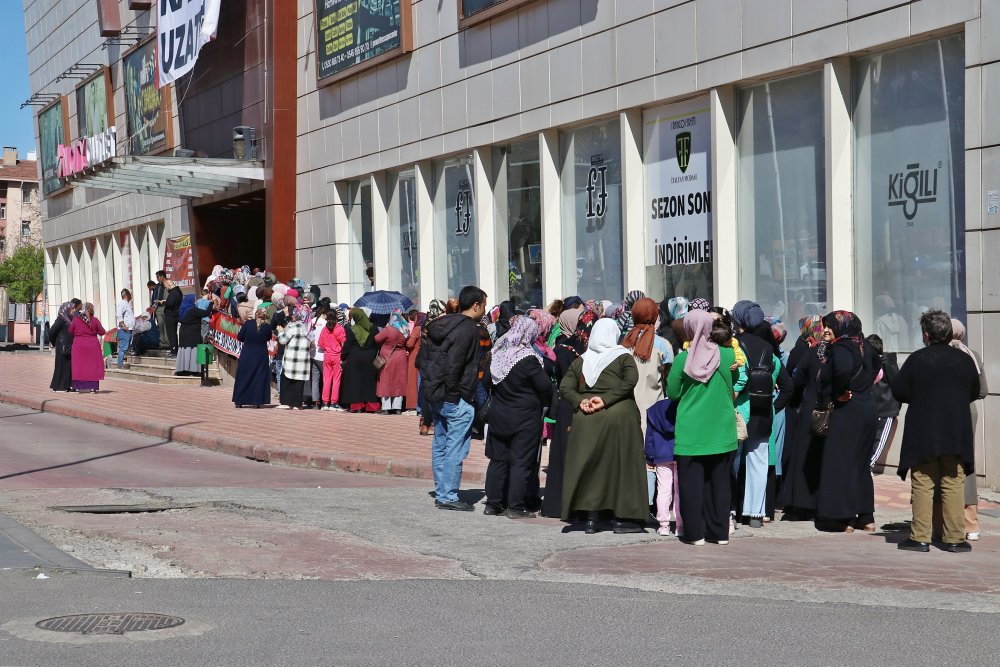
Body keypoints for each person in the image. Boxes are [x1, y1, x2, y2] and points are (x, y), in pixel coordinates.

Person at [893, 310, 980, 553]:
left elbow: (899, 391)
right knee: (953, 481)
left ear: (926, 334)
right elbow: (974, 391)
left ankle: (920, 536)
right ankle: (954, 538)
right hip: (955, 429)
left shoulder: (918, 359)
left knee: (923, 481)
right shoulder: (964, 359)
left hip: (924, 429)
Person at [559, 318, 648, 534]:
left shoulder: (582, 360)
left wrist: (581, 401)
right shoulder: (623, 356)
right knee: (622, 466)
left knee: (591, 467)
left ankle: (591, 518)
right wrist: (606, 399)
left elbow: (565, 386)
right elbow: (630, 381)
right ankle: (624, 517)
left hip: (586, 418)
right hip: (619, 418)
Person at [667, 310, 740, 545]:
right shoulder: (728, 355)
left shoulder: (682, 360)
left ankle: (695, 533)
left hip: (691, 429)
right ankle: (719, 534)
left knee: (691, 485)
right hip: (721, 427)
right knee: (720, 484)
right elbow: (735, 381)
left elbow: (673, 392)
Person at [422, 286, 488, 511]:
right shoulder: (468, 329)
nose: (484, 310)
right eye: (484, 305)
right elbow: (456, 364)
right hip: (453, 396)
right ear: (476, 305)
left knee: (441, 442)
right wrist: (454, 395)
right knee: (454, 447)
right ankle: (448, 495)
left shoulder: (444, 324)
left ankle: (442, 490)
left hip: (436, 393)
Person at [815, 311, 877, 533]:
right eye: (825, 326)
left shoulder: (841, 347)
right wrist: (862, 387)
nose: (826, 330)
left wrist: (840, 391)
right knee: (861, 463)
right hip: (867, 407)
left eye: (830, 326)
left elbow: (840, 370)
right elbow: (878, 365)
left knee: (842, 462)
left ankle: (845, 517)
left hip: (848, 409)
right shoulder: (863, 345)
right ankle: (866, 516)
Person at [731, 301, 792, 529]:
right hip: (764, 414)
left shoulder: (734, 347)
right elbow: (788, 385)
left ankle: (732, 510)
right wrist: (775, 405)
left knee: (733, 464)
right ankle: (755, 513)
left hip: (737, 413)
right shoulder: (770, 351)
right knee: (758, 462)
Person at [484, 316, 552, 518]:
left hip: (498, 414)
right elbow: (545, 387)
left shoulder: (497, 353)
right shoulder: (527, 359)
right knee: (520, 461)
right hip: (524, 417)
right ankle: (515, 506)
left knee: (498, 460)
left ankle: (493, 504)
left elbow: (486, 382)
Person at [541, 309, 595, 519]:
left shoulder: (562, 348)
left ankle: (557, 505)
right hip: (585, 405)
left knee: (562, 456)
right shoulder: (589, 349)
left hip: (565, 406)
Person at [779, 316, 829, 520]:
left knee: (803, 453)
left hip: (807, 407)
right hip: (827, 408)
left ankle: (800, 503)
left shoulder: (809, 351)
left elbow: (795, 379)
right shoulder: (833, 351)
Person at [948, 318, 989, 542]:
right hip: (967, 410)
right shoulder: (972, 354)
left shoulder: (940, 354)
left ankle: (945, 520)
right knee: (967, 462)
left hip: (943, 412)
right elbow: (983, 390)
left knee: (941, 460)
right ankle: (971, 523)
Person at [621, 297, 673, 434]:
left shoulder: (625, 342)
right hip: (655, 408)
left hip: (628, 405)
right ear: (655, 316)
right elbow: (669, 377)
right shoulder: (663, 345)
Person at [646, 397, 680, 537]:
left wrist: (649, 456)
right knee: (680, 492)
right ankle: (681, 526)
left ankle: (664, 525)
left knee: (663, 490)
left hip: (661, 454)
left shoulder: (654, 409)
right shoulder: (683, 405)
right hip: (681, 452)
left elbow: (649, 437)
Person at [866, 334, 901, 474]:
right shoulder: (867, 364)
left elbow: (898, 384)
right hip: (870, 409)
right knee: (869, 439)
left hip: (886, 410)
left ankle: (869, 465)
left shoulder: (887, 363)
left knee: (879, 440)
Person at [341, 307, 380, 413]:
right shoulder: (374, 328)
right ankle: (371, 406)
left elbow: (347, 346)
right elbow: (377, 343)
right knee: (369, 382)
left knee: (355, 382)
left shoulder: (352, 329)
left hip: (355, 358)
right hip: (370, 358)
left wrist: (343, 356)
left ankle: (356, 406)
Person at [233, 308, 273, 408]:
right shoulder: (267, 327)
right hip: (261, 354)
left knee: (244, 376)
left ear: (256, 314)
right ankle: (257, 401)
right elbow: (268, 338)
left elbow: (240, 336)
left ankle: (239, 401)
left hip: (247, 353)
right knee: (259, 377)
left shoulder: (248, 324)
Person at [276, 305, 312, 410]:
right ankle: (297, 404)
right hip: (303, 359)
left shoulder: (293, 327)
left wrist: (280, 331)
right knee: (299, 382)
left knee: (287, 380)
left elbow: (282, 340)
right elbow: (313, 344)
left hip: (291, 358)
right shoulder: (308, 328)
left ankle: (286, 402)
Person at [374, 311, 409, 414]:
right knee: (399, 381)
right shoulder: (405, 329)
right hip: (401, 357)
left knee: (386, 381)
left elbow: (376, 339)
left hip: (387, 357)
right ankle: (397, 407)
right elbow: (408, 342)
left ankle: (386, 407)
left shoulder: (388, 329)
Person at [68, 303, 106, 393]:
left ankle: (78, 387)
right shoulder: (95, 320)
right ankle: (93, 388)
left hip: (79, 346)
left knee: (79, 366)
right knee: (92, 366)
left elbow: (70, 331)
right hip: (92, 346)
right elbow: (102, 332)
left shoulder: (76, 320)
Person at [317, 309, 346, 410]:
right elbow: (344, 342)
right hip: (336, 355)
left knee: (326, 379)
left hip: (327, 355)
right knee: (336, 379)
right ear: (336, 317)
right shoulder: (339, 328)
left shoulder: (324, 329)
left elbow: (320, 344)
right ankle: (334, 403)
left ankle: (325, 403)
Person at [175, 298, 212, 377]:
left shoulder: (182, 310)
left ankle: (182, 370)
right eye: (194, 300)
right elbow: (206, 313)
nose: (195, 302)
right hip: (192, 333)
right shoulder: (193, 310)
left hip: (183, 332)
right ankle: (194, 370)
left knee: (184, 351)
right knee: (193, 350)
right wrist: (211, 304)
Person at [49, 299, 81, 392]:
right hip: (62, 346)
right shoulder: (61, 319)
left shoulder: (69, 319)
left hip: (69, 346)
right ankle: (59, 386)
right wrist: (54, 342)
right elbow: (51, 331)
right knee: (61, 366)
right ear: (67, 309)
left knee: (68, 367)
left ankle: (67, 385)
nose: (73, 311)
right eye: (71, 309)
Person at [405, 310, 425, 418]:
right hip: (423, 355)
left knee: (413, 381)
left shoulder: (417, 329)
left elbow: (410, 343)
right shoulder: (426, 328)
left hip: (415, 355)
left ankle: (414, 405)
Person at [114, 289, 136, 369]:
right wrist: (123, 326)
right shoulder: (123, 303)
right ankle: (120, 365)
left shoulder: (126, 304)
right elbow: (118, 314)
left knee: (125, 347)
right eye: (130, 294)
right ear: (126, 295)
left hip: (127, 330)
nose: (131, 296)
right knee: (123, 348)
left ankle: (121, 363)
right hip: (124, 330)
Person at [163, 279, 183, 357]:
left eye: (166, 287)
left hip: (171, 316)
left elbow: (170, 304)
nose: (166, 289)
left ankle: (174, 350)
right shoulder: (178, 291)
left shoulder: (173, 292)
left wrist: (165, 302)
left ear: (169, 285)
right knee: (173, 334)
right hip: (175, 314)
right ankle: (174, 350)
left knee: (171, 334)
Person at [152, 271, 169, 350]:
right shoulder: (158, 286)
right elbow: (155, 296)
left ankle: (168, 343)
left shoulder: (168, 283)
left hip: (166, 307)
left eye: (158, 277)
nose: (157, 279)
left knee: (166, 326)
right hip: (158, 308)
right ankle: (162, 343)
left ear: (162, 276)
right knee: (161, 326)